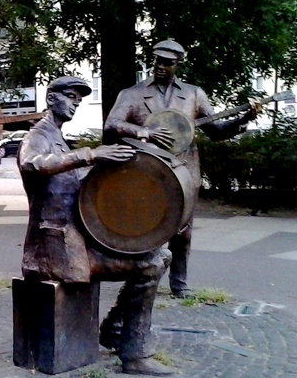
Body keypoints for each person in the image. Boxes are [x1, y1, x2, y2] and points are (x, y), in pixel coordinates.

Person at [18, 76, 173, 375]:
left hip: (77, 240)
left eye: (79, 98)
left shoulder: (59, 139)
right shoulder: (37, 135)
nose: (76, 103)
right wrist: (90, 154)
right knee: (152, 263)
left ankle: (115, 329)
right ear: (51, 99)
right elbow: (32, 164)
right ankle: (133, 353)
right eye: (71, 96)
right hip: (55, 249)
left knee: (159, 254)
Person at [104, 40, 257, 298]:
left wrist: (244, 120)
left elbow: (216, 131)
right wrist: (144, 131)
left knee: (183, 231)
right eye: (157, 61)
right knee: (145, 228)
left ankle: (179, 284)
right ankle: (140, 280)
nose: (161, 67)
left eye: (168, 63)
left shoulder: (194, 94)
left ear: (178, 64)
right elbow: (112, 125)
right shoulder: (132, 94)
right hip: (147, 170)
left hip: (185, 169)